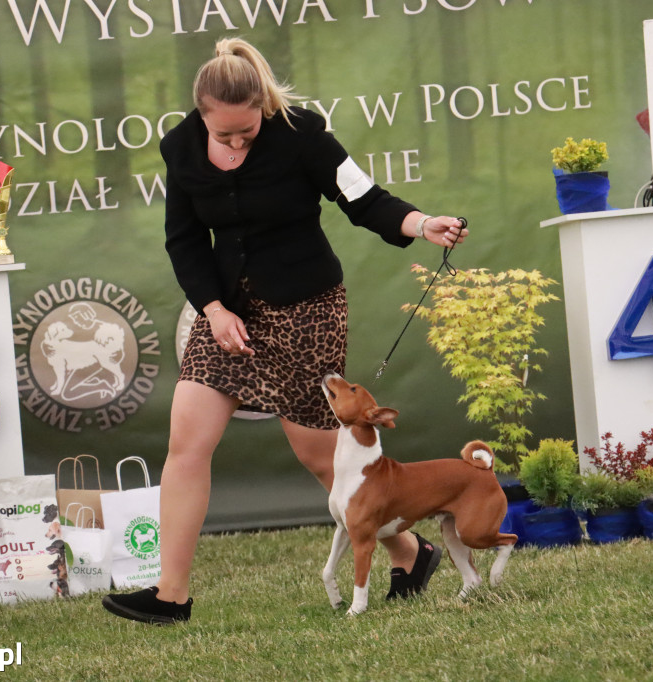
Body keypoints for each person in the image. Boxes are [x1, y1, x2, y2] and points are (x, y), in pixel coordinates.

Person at [102, 37, 468, 625]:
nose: (237, 142)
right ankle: (171, 595)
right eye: (225, 135)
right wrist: (214, 310)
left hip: (307, 308)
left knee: (326, 462)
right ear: (201, 115)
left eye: (247, 131)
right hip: (228, 314)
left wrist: (422, 223)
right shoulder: (180, 148)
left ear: (262, 109)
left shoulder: (301, 132)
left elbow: (363, 198)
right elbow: (185, 239)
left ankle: (409, 550)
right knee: (186, 445)